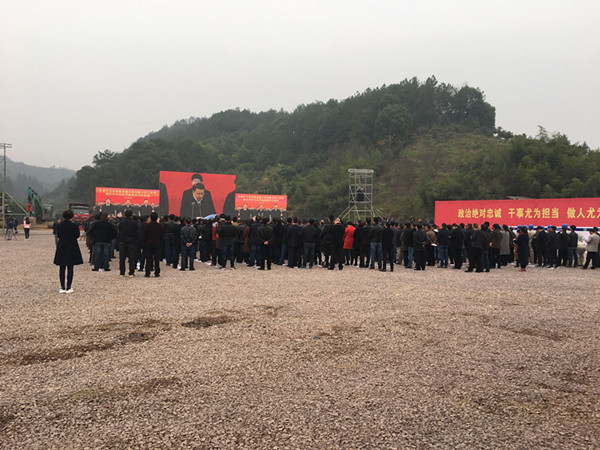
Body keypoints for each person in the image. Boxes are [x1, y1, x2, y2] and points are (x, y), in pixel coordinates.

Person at [53, 210, 83, 293]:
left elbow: (58, 235)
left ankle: (62, 287)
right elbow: (77, 235)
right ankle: (69, 287)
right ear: (72, 216)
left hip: (62, 245)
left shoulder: (60, 225)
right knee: (70, 267)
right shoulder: (74, 225)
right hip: (72, 245)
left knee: (62, 267)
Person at [142, 212, 164, 277]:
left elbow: (144, 236)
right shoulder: (160, 226)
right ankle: (157, 272)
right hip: (157, 243)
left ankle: (147, 272)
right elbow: (162, 236)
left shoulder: (147, 226)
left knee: (148, 258)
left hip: (148, 243)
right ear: (157, 218)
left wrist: (144, 243)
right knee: (157, 259)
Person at [118, 210, 139, 277]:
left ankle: (122, 273)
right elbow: (136, 232)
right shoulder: (134, 223)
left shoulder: (121, 223)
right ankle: (131, 272)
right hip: (131, 242)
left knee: (122, 258)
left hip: (123, 241)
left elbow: (120, 231)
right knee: (131, 258)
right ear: (131, 215)